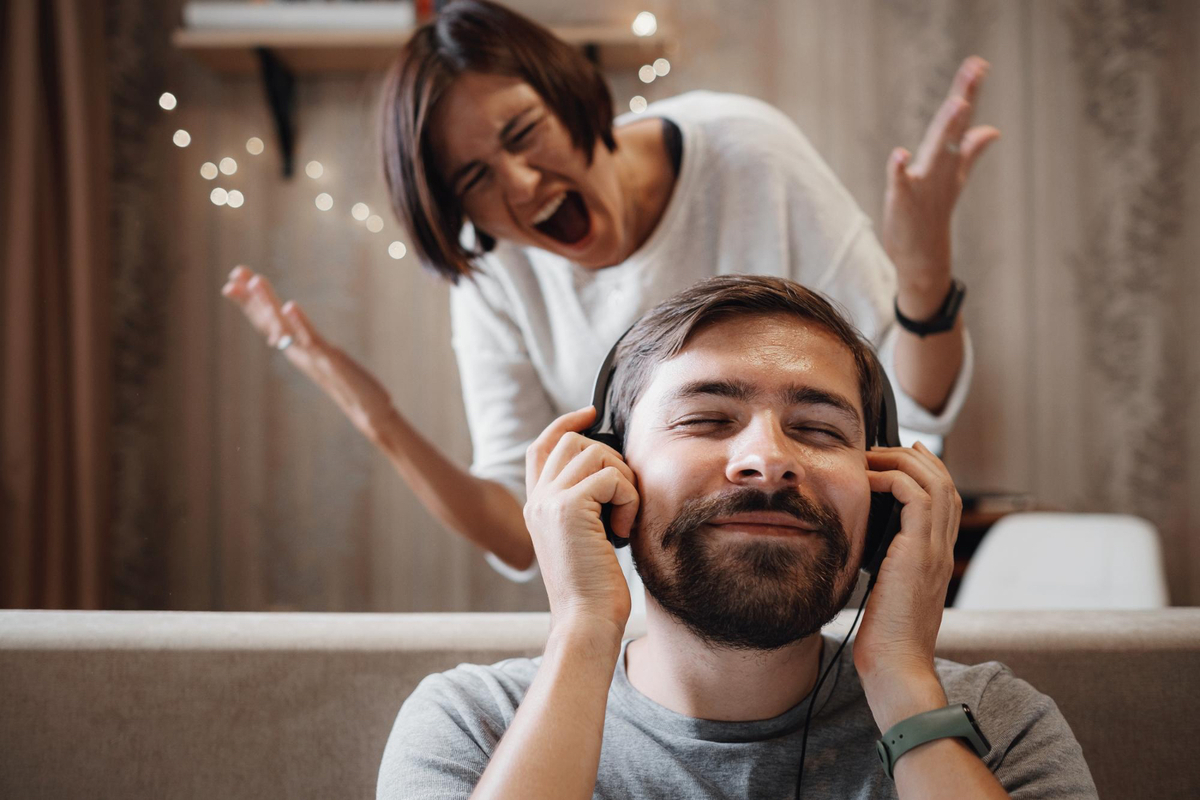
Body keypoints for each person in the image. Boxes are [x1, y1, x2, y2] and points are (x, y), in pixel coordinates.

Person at [221, 0, 1000, 609]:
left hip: (814, 583)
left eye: (524, 133)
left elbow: (910, 414)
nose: (521, 186)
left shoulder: (746, 151)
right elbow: (524, 529)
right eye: (473, 181)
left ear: (567, 95)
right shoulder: (495, 270)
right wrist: (378, 422)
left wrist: (924, 276)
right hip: (656, 615)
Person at [376, 275, 1097, 799]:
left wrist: (903, 681)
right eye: (706, 419)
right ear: (607, 475)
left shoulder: (998, 727)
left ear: (883, 505)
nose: (769, 459)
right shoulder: (472, 726)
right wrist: (584, 630)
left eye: (818, 430)